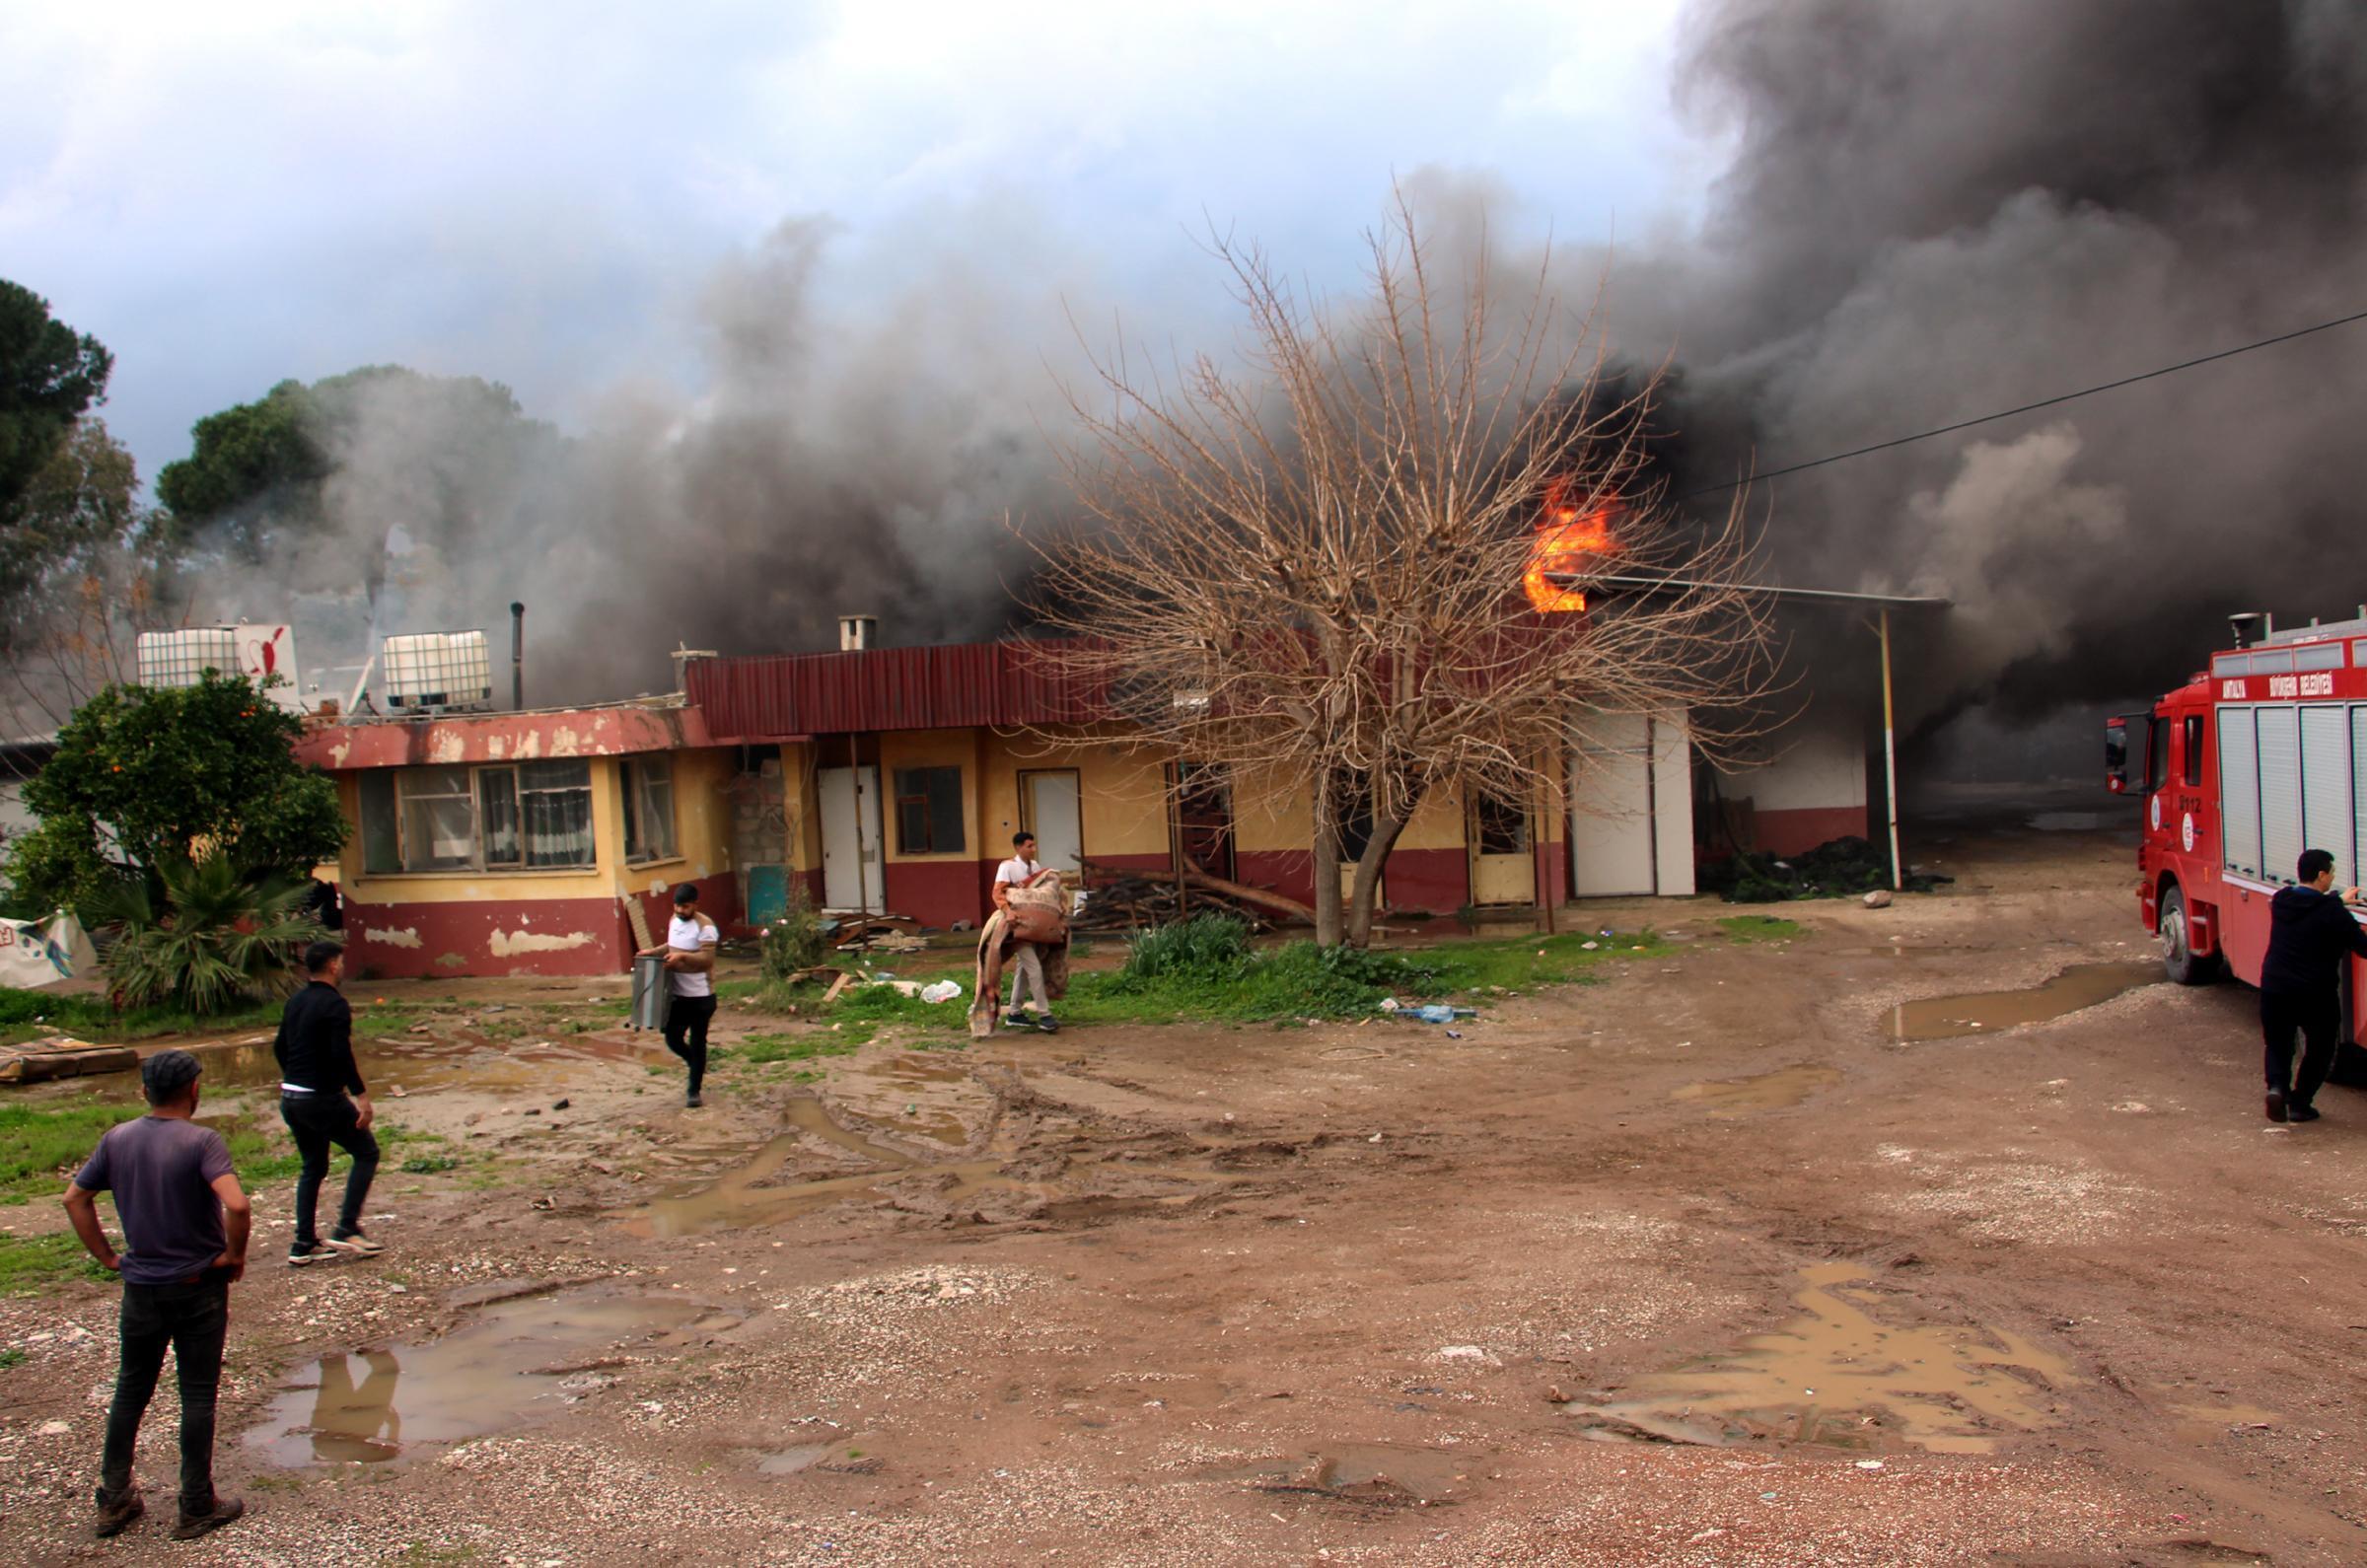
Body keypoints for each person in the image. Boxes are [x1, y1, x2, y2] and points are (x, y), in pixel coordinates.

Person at [62, 1049, 250, 1541]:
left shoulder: (117, 1139)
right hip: (197, 1287)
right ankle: (195, 1505)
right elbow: (237, 1204)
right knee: (197, 1393)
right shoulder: (202, 1141)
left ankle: (114, 1498)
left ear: (144, 1092)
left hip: (141, 1286)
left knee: (131, 1389)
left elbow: (74, 1197)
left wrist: (107, 1257)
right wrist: (233, 1256)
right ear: (194, 1090)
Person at [274, 939, 383, 1263]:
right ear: (333, 965)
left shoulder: (295, 1001)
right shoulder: (334, 1004)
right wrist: (361, 1095)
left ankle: (303, 1243)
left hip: (291, 1097)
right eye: (341, 961)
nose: (344, 966)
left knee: (313, 1166)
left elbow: (280, 1046)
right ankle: (347, 1227)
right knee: (366, 1152)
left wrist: (294, 1077)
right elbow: (341, 1054)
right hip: (321, 1098)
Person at [2259, 846, 2367, 1123]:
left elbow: (2313, 905)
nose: (2333, 878)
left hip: (2274, 987)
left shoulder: (2282, 901)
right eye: (2331, 873)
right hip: (2314, 994)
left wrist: (2336, 901)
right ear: (2321, 875)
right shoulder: (2333, 914)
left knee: (2278, 1044)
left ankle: (2277, 1089)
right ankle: (2300, 1102)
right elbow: (2363, 947)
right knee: (2321, 1049)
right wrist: (2338, 905)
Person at [640, 883, 719, 1107]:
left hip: (701, 996)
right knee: (672, 1038)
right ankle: (695, 1063)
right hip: (677, 995)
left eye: (685, 907)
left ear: (695, 904)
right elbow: (672, 946)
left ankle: (694, 1090)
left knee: (698, 1041)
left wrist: (682, 958)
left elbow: (707, 959)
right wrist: (653, 952)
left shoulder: (706, 927)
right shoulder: (674, 920)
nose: (680, 911)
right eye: (677, 906)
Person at [992, 831, 1058, 1033]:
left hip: (1033, 924)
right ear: (1018, 847)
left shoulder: (1035, 867)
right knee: (1034, 968)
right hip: (1015, 925)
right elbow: (997, 893)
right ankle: (1045, 1014)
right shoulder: (1007, 867)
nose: (1033, 849)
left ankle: (1014, 1013)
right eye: (1029, 846)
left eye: (1033, 845)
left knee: (1023, 968)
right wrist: (1008, 912)